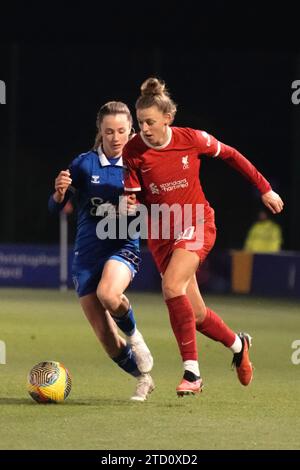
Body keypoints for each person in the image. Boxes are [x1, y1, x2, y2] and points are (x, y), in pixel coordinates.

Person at [122, 77, 284, 396]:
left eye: (150, 122)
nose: (144, 129)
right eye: (140, 123)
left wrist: (264, 188)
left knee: (171, 286)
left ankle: (192, 374)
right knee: (195, 315)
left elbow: (232, 155)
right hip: (161, 233)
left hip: (196, 222)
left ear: (168, 118)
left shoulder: (191, 139)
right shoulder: (133, 150)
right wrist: (130, 204)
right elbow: (135, 197)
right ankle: (239, 345)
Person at [48, 101, 154, 402]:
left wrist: (140, 208)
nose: (116, 137)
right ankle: (143, 378)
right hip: (87, 256)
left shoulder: (141, 164)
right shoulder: (84, 164)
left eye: (122, 130)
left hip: (123, 246)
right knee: (106, 338)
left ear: (131, 131)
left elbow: (155, 209)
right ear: (100, 132)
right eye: (109, 131)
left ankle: (136, 338)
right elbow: (55, 207)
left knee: (109, 294)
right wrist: (58, 193)